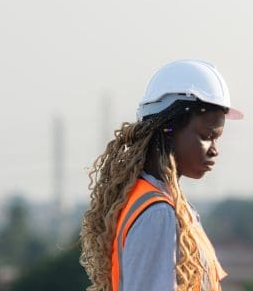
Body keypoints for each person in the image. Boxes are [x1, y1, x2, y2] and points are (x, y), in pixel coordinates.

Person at [80, 59, 243, 291]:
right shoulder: (158, 213)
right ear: (168, 130)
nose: (215, 149)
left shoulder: (163, 205)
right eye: (206, 136)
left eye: (217, 139)